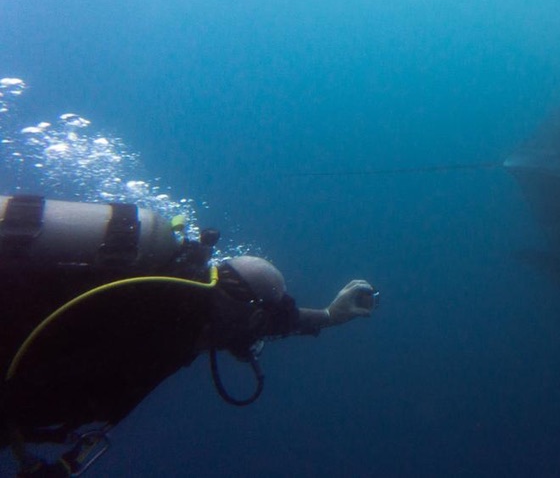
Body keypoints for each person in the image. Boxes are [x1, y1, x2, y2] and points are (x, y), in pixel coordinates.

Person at [0, 194, 378, 477]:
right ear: (245, 313)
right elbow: (22, 396)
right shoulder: (156, 333)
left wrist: (329, 316)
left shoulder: (193, 292)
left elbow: (272, 318)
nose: (255, 338)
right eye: (257, 320)